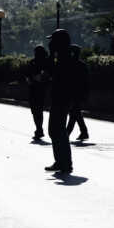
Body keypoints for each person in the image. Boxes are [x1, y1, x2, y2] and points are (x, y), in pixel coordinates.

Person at [46, 29, 75, 174]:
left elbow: (52, 72)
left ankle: (66, 163)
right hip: (59, 97)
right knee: (54, 130)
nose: (50, 43)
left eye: (53, 41)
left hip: (62, 98)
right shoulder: (62, 56)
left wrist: (51, 55)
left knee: (58, 130)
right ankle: (60, 161)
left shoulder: (65, 58)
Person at [25, 45, 51, 141]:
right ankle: (39, 128)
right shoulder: (32, 62)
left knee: (37, 111)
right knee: (36, 111)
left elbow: (48, 74)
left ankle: (39, 129)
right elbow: (27, 75)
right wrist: (31, 79)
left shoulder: (46, 62)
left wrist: (41, 78)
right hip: (34, 89)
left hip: (41, 89)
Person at [65, 45, 89, 142]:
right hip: (78, 93)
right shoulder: (82, 65)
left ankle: (67, 133)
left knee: (74, 113)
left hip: (74, 93)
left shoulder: (69, 65)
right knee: (76, 113)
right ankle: (84, 132)